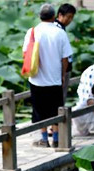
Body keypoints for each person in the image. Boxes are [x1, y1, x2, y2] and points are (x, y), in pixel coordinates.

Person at [23, 3, 73, 148]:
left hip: (37, 78)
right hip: (55, 79)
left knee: (39, 110)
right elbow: (65, 58)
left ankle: (44, 139)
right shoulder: (60, 33)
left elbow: (25, 53)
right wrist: (62, 75)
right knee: (56, 109)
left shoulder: (32, 31)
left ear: (40, 16)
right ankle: (56, 139)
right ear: (54, 16)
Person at [54, 3, 76, 104]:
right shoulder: (57, 29)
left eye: (72, 18)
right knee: (60, 96)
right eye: (68, 17)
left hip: (64, 68)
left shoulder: (61, 27)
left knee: (62, 95)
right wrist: (63, 72)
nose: (70, 20)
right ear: (60, 15)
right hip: (61, 68)